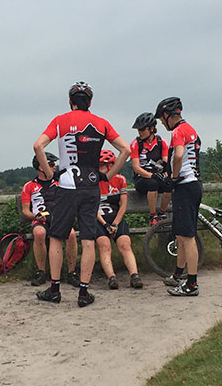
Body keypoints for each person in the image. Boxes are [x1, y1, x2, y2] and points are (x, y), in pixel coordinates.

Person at [33, 81, 130, 307]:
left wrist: (51, 174)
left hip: (67, 185)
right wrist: (108, 175)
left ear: (70, 101)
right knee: (88, 240)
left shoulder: (60, 121)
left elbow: (38, 146)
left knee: (57, 237)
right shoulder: (101, 123)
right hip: (91, 186)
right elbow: (125, 150)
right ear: (90, 102)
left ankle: (54, 289)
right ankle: (84, 293)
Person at [156, 97, 202, 297]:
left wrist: (174, 178)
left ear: (168, 116)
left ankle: (191, 284)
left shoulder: (177, 131)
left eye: (161, 119)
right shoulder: (191, 129)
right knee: (181, 235)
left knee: (188, 237)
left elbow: (179, 155)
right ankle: (178, 274)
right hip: (193, 184)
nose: (161, 123)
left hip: (185, 185)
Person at [22, 153, 81, 287]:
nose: (54, 167)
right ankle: (41, 272)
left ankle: (71, 272)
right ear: (41, 167)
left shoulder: (60, 183)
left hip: (59, 218)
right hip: (40, 220)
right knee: (39, 233)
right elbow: (25, 210)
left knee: (71, 235)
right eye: (51, 164)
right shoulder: (29, 186)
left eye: (54, 165)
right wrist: (36, 216)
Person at [94, 150, 143, 289]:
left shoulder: (120, 179)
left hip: (116, 217)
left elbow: (123, 205)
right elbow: (93, 207)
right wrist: (105, 224)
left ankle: (134, 276)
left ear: (111, 165)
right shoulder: (94, 181)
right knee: (104, 245)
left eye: (102, 165)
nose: (99, 168)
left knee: (125, 244)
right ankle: (112, 278)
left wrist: (115, 223)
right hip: (99, 219)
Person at [129, 112, 172, 226]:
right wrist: (151, 175)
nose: (140, 132)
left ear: (152, 129)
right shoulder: (136, 144)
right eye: (138, 130)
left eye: (142, 129)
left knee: (169, 185)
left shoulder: (161, 142)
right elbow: (136, 167)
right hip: (142, 178)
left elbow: (166, 163)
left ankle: (162, 213)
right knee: (152, 183)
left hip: (157, 175)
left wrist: (166, 175)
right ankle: (152, 216)